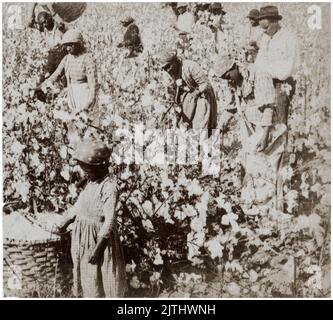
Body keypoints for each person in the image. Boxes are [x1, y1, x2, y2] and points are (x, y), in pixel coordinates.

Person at [56, 139, 127, 298]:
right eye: (84, 170)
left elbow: (109, 220)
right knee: (88, 277)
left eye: (89, 170)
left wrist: (99, 247)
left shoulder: (109, 187)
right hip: (84, 237)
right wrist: (65, 222)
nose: (86, 174)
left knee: (102, 274)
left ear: (101, 167)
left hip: (98, 238)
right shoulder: (91, 182)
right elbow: (79, 206)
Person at [253, 5, 298, 210]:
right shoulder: (266, 38)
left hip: (282, 86)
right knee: (268, 131)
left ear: (274, 21)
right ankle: (269, 188)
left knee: (281, 132)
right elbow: (260, 63)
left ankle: (282, 190)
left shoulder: (288, 38)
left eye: (266, 26)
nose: (264, 30)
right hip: (268, 86)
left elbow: (286, 70)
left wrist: (268, 71)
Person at [157, 49, 217, 137]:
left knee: (200, 127)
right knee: (186, 126)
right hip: (189, 99)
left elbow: (206, 84)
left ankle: (205, 146)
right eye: (164, 68)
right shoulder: (170, 72)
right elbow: (173, 94)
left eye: (168, 66)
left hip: (202, 96)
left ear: (175, 62)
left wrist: (196, 92)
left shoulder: (190, 66)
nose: (167, 70)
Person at [39, 29, 98, 115]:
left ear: (78, 44)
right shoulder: (67, 58)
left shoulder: (87, 59)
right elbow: (56, 74)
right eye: (66, 46)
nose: (68, 48)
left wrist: (88, 104)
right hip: (71, 94)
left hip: (84, 95)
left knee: (84, 120)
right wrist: (41, 86)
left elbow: (93, 85)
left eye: (71, 45)